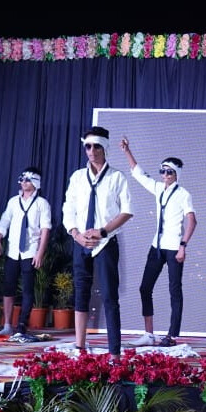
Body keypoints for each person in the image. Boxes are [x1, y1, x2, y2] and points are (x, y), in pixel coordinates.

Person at [62, 126, 133, 357]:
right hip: (80, 242)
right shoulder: (77, 177)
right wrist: (77, 235)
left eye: (96, 146)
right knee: (81, 293)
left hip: (105, 243)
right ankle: (79, 347)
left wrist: (102, 232)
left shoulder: (116, 177)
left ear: (105, 148)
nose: (91, 151)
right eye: (88, 146)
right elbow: (68, 209)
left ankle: (114, 353)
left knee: (110, 296)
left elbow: (127, 211)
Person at [118, 136, 197, 347]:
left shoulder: (183, 194)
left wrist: (183, 246)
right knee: (145, 287)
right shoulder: (158, 188)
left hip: (173, 247)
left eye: (169, 171)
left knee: (174, 290)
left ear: (177, 174)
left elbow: (192, 220)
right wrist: (127, 150)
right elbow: (138, 173)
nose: (164, 175)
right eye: (162, 171)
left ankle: (172, 335)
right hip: (157, 245)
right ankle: (149, 333)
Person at [0, 166, 53, 343]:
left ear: (35, 183)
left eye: (27, 179)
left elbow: (45, 229)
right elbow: (5, 220)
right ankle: (7, 325)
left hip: (30, 251)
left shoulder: (42, 204)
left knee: (27, 289)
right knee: (8, 287)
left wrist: (40, 253)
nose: (23, 182)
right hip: (13, 251)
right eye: (22, 179)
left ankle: (21, 326)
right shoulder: (13, 201)